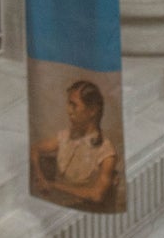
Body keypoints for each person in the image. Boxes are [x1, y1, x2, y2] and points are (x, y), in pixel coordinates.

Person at [30, 79, 119, 210]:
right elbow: (34, 149)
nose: (69, 111)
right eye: (68, 104)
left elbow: (97, 195)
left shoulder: (106, 152)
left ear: (92, 110)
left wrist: (54, 186)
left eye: (74, 105)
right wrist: (39, 176)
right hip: (52, 206)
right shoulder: (65, 136)